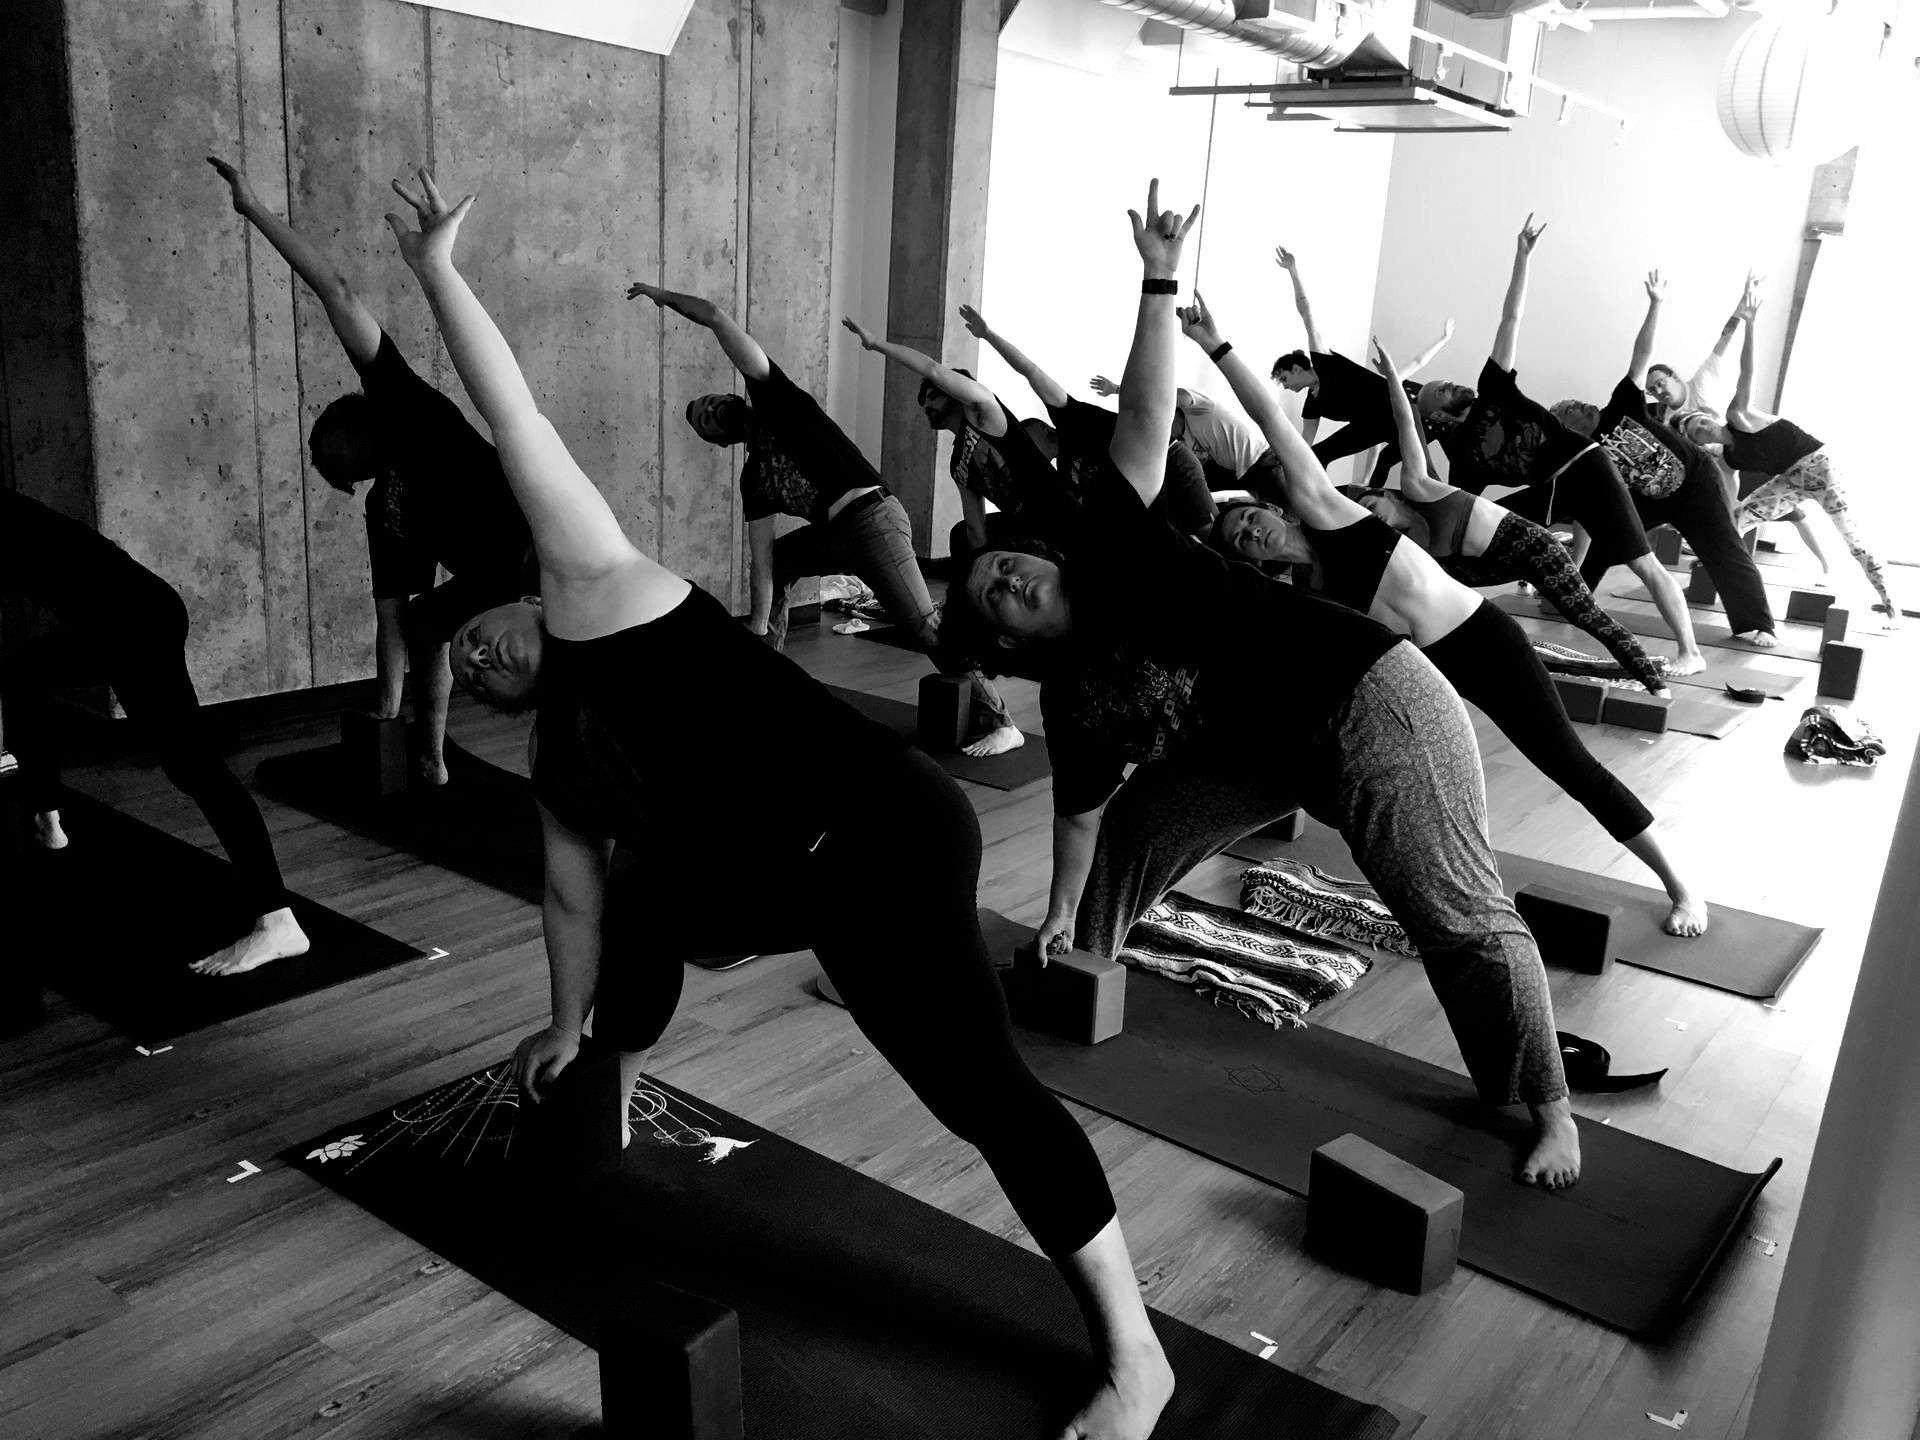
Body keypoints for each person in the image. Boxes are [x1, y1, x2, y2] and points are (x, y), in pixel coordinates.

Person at [383, 170, 1174, 1438]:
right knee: (633, 897)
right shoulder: (560, 766)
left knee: (978, 1092)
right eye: (466, 675)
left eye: (480, 635)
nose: (475, 658)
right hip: (781, 876)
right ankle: (616, 1074)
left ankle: (1136, 1353)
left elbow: (514, 417)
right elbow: (569, 890)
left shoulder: (603, 588)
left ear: (529, 599)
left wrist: (437, 275)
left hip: (887, 836)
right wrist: (561, 1025)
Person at [947, 183, 1580, 1189]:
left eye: (1005, 566)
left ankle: (1547, 1105)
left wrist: (1159, 281)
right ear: (1011, 637)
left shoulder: (1113, 539)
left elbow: (1149, 413)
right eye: (995, 598)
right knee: (1142, 821)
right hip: (1266, 748)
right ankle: (1083, 967)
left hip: (1372, 702)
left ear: (1033, 552)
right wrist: (1059, 915)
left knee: (1451, 911)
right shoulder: (1075, 695)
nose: (1008, 580)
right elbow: (1078, 813)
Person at [1200, 321, 1705, 938]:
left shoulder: (1336, 517)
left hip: (1484, 643)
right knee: (1406, 784)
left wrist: (1216, 349)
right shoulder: (1304, 593)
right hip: (1425, 680)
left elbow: (1277, 431)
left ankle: (1681, 887)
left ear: (1272, 507)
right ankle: (1447, 891)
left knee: (1567, 765)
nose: (1251, 530)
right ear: (1249, 559)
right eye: (1240, 540)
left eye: (1249, 517)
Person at [208, 154, 535, 787]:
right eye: (327, 465)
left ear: (360, 416)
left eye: (327, 444)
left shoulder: (407, 409)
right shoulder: (386, 507)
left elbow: (336, 290)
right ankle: (430, 758)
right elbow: (392, 617)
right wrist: (386, 714)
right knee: (422, 622)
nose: (326, 460)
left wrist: (254, 210)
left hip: (538, 555)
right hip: (491, 578)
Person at [626, 282, 1022, 758]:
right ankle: (765, 686)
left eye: (709, 403)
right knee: (781, 558)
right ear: (716, 441)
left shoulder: (777, 400)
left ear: (731, 397)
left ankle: (1001, 719)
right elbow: (763, 562)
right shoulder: (754, 480)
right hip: (837, 534)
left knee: (925, 631)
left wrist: (660, 295)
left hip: (873, 518)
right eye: (704, 422)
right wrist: (755, 625)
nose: (711, 413)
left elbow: (713, 315)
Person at [2, 488, 311, 976]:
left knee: (195, 769)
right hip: (138, 613)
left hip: (132, 623)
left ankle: (278, 923)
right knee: (23, 674)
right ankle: (49, 821)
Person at [1418, 216, 1707, 678]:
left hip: (1586, 467)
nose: (1451, 384)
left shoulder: (1492, 387)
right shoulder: (1465, 460)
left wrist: (1522, 258)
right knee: (1458, 551)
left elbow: (1511, 317)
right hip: (1554, 489)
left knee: (1644, 564)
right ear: (1434, 414)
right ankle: (1439, 627)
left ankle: (1691, 651)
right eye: (1440, 388)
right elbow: (1459, 506)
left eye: (1448, 379)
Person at [1549, 270, 1778, 648]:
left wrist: (1656, 305)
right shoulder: (1584, 451)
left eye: (1577, 400)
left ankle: (1757, 623)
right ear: (1568, 426)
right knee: (1611, 534)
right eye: (1571, 408)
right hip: (1651, 496)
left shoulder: (1622, 401)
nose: (1581, 403)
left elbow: (1643, 354)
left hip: (1696, 483)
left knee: (1723, 548)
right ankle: (1573, 598)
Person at [1677, 295, 1899, 628]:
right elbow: (1732, 494)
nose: (1705, 427)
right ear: (1699, 440)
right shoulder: (1728, 458)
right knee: (1736, 521)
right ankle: (1718, 580)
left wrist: (1751, 324)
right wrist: (1727, 518)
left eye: (1702, 421)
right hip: (1791, 481)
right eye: (1698, 432)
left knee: (1852, 539)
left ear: (1709, 418)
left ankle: (1890, 604)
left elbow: (1747, 373)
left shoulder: (1739, 415)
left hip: (1818, 466)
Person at [957, 304, 1216, 534]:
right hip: (1147, 493)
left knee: (1210, 532)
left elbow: (1031, 371)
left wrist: (988, 335)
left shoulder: (1071, 417)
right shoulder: (1065, 475)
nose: (1031, 453)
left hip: (1169, 460)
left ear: (1045, 430)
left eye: (1029, 441)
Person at [839, 315, 1073, 563]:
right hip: (1023, 527)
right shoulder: (957, 464)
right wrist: (980, 567)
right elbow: (976, 527)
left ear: (954, 392)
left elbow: (933, 369)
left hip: (1058, 514)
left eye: (932, 396)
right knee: (962, 535)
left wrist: (876, 343)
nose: (926, 405)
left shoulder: (985, 415)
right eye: (924, 402)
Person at [1649, 273, 1835, 572]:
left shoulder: (1702, 379)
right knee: (1733, 515)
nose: (1658, 391)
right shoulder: (1670, 421)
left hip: (1748, 446)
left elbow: (1726, 337)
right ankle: (1720, 562)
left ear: (1673, 375)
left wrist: (1743, 304)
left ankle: (1825, 564)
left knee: (1795, 513)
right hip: (1724, 465)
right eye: (1653, 390)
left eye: (1660, 383)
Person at [1269, 242, 1453, 488]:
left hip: (1398, 411)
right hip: (1371, 427)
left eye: (1283, 379)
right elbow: (1305, 445)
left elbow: (1307, 314)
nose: (1285, 386)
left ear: (1295, 369)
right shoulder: (1311, 405)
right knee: (1318, 455)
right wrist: (1280, 460)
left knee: (1413, 470)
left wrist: (1293, 270)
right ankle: (1319, 503)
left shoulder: (1325, 361)